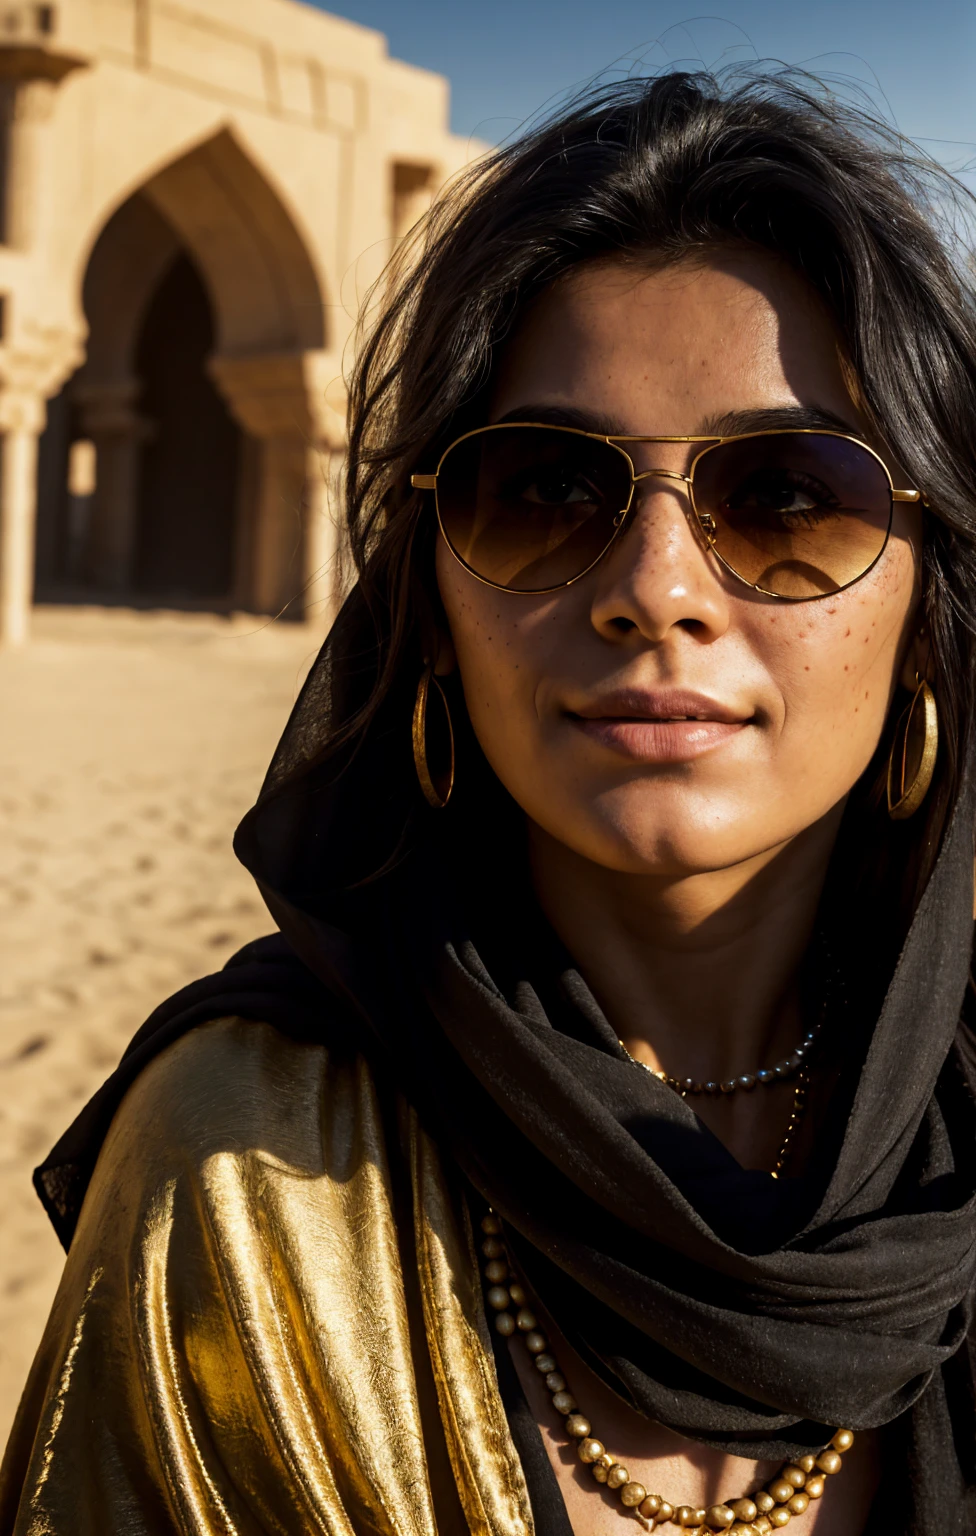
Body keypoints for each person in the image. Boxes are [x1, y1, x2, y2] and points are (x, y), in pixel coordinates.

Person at [2, 66, 976, 1536]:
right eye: (542, 492)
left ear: (927, 610)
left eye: (787, 499)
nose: (655, 590)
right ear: (431, 608)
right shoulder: (250, 1172)